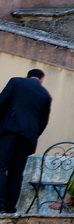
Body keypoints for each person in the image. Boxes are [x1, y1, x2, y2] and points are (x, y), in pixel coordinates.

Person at [0, 67, 51, 213]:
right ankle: (10, 207)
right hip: (28, 137)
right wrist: (33, 135)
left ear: (28, 76)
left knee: (1, 165)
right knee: (16, 172)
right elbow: (43, 122)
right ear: (41, 79)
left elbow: (2, 102)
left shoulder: (16, 82)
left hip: (10, 129)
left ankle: (0, 204)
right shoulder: (46, 95)